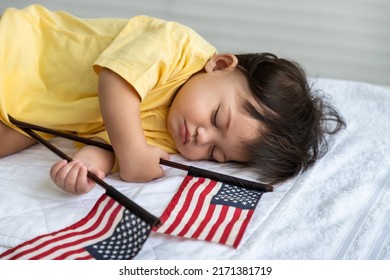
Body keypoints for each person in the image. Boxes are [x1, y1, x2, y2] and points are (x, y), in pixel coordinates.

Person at [0, 5, 345, 195]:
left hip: (27, 113)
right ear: (220, 65)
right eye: (216, 119)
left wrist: (88, 169)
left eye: (214, 153)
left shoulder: (171, 138)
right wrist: (134, 153)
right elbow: (116, 82)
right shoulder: (177, 46)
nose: (201, 138)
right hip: (19, 49)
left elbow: (107, 143)